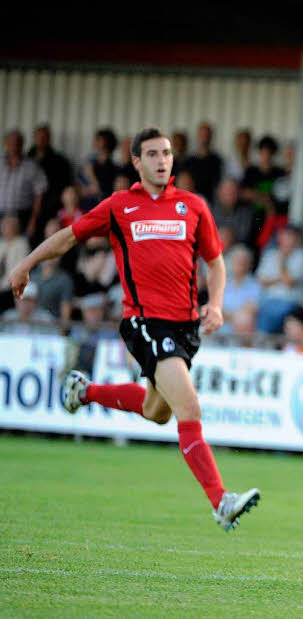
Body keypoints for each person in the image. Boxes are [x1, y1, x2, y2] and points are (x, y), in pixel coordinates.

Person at [7, 127, 260, 532]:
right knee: (189, 409)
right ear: (137, 163)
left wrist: (214, 304)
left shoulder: (193, 206)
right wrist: (25, 263)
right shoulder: (119, 206)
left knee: (155, 411)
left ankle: (83, 391)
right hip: (144, 320)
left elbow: (215, 262)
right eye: (153, 154)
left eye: (167, 153)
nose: (162, 160)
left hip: (184, 327)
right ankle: (220, 501)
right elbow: (68, 239)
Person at [1, 130, 48, 237]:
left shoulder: (32, 167)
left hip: (21, 216)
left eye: (17, 143)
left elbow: (39, 195)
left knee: (19, 247)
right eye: (11, 142)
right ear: (5, 143)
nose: (14, 146)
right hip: (1, 213)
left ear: (22, 144)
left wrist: (33, 219)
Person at [184, 121, 223, 202]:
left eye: (207, 135)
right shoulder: (189, 160)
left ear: (211, 137)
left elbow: (219, 184)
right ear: (198, 136)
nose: (204, 138)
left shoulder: (217, 160)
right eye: (202, 135)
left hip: (211, 203)